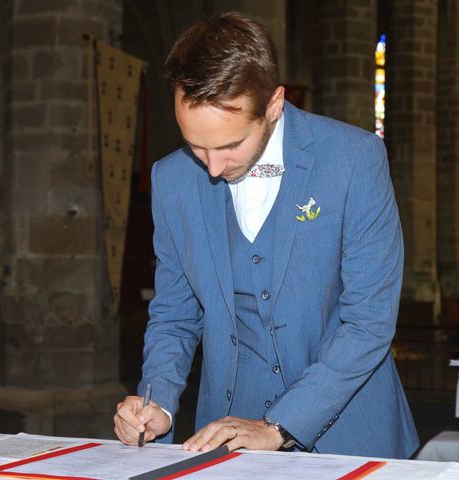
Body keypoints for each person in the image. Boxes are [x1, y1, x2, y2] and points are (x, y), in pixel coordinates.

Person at [113, 12, 418, 459]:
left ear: (274, 105)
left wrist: (281, 424)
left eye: (229, 145)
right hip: (224, 435)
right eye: (197, 146)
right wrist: (156, 400)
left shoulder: (354, 159)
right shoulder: (172, 179)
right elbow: (175, 313)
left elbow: (368, 321)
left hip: (351, 433)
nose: (213, 168)